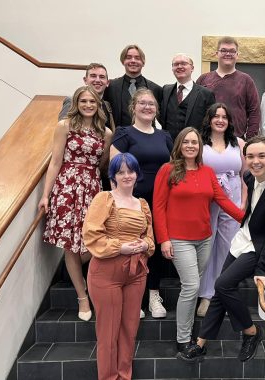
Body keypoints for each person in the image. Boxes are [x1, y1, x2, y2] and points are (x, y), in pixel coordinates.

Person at [178, 136, 265, 363]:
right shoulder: (249, 177)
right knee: (222, 288)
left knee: (222, 284)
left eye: (261, 156)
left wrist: (262, 267)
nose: (255, 161)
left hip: (261, 246)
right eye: (250, 156)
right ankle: (201, 343)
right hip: (243, 238)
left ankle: (251, 332)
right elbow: (250, 211)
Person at [153, 127, 245, 353]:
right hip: (179, 239)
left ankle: (189, 328)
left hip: (204, 238)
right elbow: (158, 207)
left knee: (192, 286)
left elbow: (222, 199)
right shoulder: (168, 170)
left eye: (195, 142)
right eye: (186, 142)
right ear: (179, 145)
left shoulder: (207, 172)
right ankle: (183, 339)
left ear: (200, 147)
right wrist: (164, 239)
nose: (191, 146)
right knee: (192, 286)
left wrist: (246, 217)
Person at [38, 85, 112, 321]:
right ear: (76, 104)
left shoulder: (106, 133)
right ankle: (82, 296)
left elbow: (101, 164)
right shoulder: (64, 126)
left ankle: (83, 280)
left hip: (92, 186)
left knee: (93, 239)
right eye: (84, 101)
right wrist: (45, 195)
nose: (88, 105)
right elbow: (55, 162)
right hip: (67, 186)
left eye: (92, 101)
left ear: (98, 105)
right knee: (71, 243)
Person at [82, 153, 154, 380]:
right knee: (108, 332)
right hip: (106, 273)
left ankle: (124, 376)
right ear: (113, 176)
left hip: (136, 273)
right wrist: (119, 248)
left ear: (136, 174)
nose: (126, 175)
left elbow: (150, 239)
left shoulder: (142, 204)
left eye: (130, 171)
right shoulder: (104, 199)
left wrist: (145, 244)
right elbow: (91, 234)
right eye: (120, 171)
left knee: (129, 330)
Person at [110, 88, 173, 319]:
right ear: (133, 107)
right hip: (132, 201)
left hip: (160, 202)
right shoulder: (123, 133)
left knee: (152, 248)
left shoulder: (164, 136)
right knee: (132, 246)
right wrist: (117, 202)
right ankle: (132, 297)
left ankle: (154, 295)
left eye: (151, 104)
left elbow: (172, 169)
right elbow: (113, 170)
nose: (148, 107)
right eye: (143, 103)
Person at [197, 104, 247, 317]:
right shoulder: (199, 143)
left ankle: (221, 293)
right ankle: (205, 295)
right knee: (207, 246)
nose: (220, 120)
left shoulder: (239, 143)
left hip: (233, 200)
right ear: (209, 119)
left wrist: (243, 203)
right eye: (215, 116)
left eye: (224, 117)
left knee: (227, 247)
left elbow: (246, 176)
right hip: (206, 199)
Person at [58, 62, 115, 191]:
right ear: (85, 80)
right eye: (93, 76)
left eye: (102, 77)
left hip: (96, 175)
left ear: (107, 82)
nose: (97, 80)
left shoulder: (107, 105)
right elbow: (63, 140)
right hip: (71, 177)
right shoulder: (72, 101)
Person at [196, 36, 261, 139]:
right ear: (216, 54)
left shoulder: (246, 80)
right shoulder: (203, 79)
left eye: (232, 51)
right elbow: (196, 112)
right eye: (223, 50)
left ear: (237, 55)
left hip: (237, 140)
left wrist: (249, 141)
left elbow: (254, 112)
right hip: (207, 140)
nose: (228, 54)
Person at [159, 54, 216, 140]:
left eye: (184, 63)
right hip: (169, 146)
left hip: (194, 146)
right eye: (176, 64)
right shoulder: (165, 90)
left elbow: (210, 124)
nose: (179, 66)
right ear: (172, 68)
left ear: (192, 68)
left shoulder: (206, 94)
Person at [104, 44, 162, 127]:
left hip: (146, 137)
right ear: (123, 61)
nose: (133, 61)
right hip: (119, 136)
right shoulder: (111, 87)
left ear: (143, 62)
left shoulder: (156, 89)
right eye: (128, 57)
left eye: (137, 58)